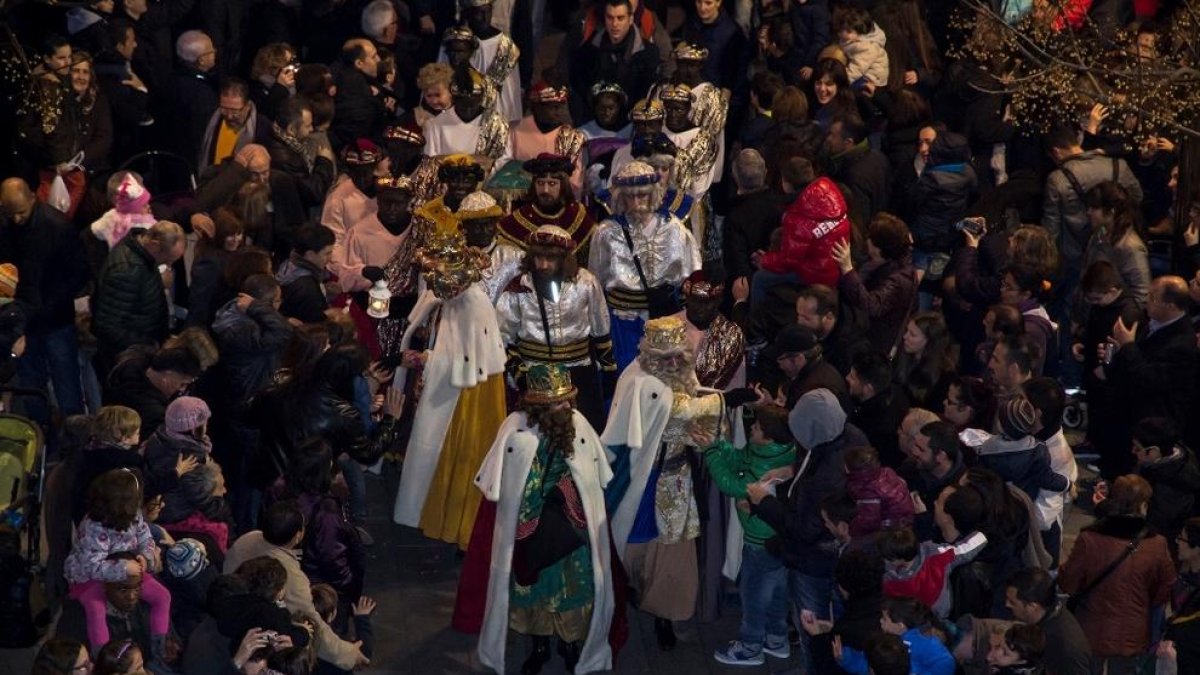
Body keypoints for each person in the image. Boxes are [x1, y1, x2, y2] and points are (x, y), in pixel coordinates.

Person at [473, 364, 614, 675]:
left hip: (569, 530)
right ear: (539, 406)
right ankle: (539, 645)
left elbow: (595, 471)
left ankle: (569, 644)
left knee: (573, 590)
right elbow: (500, 482)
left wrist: (571, 491)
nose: (567, 408)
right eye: (559, 403)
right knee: (534, 589)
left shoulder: (578, 425)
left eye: (568, 400)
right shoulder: (516, 429)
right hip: (532, 530)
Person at [601, 316, 725, 651]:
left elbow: (695, 420)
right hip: (640, 483)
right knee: (633, 545)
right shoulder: (640, 381)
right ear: (649, 356)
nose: (673, 364)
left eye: (678, 356)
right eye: (664, 358)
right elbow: (678, 415)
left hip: (675, 482)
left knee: (672, 554)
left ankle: (663, 615)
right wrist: (724, 401)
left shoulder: (684, 375)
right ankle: (629, 594)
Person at [391, 231, 507, 549]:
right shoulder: (444, 294)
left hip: (468, 396)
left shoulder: (474, 303)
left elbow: (469, 362)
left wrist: (428, 359)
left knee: (461, 455)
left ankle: (456, 522)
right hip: (440, 384)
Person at [745, 388, 868, 671]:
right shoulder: (850, 437)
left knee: (814, 630)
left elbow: (804, 529)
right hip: (834, 557)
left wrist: (763, 503)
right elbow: (815, 454)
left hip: (812, 562)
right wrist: (792, 469)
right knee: (839, 625)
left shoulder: (826, 477)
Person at [693, 404, 796, 666]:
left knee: (753, 596)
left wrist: (711, 453)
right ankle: (777, 639)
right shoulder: (780, 452)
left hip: (759, 542)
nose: (752, 427)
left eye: (758, 427)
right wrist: (717, 444)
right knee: (777, 591)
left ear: (769, 437)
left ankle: (750, 648)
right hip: (778, 540)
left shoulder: (764, 470)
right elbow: (741, 458)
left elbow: (731, 484)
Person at [223, 501, 369, 670]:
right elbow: (313, 622)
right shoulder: (291, 577)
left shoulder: (246, 540)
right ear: (298, 536)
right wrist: (348, 654)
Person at [496, 225, 613, 430]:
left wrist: (609, 373)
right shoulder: (518, 288)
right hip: (535, 375)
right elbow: (504, 338)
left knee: (583, 434)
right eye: (538, 258)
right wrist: (521, 377)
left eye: (550, 259)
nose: (542, 265)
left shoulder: (586, 283)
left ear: (565, 259)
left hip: (580, 375)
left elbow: (600, 330)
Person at [1059, 474, 1176, 675]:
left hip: (1089, 628)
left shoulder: (1090, 539)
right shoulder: (1157, 544)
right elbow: (1164, 589)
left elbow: (1068, 583)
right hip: (1132, 631)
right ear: (1142, 506)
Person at [588, 161, 700, 371]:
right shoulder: (606, 232)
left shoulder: (674, 228)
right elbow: (596, 281)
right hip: (622, 322)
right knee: (627, 375)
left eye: (643, 195)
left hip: (666, 318)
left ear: (654, 194)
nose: (637, 202)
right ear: (621, 198)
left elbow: (692, 274)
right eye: (631, 196)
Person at [0, 177, 90, 420]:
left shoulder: (58, 227)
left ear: (33, 198)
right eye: (11, 213)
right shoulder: (5, 225)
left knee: (67, 384)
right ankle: (40, 436)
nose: (17, 218)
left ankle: (74, 439)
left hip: (54, 319)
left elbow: (79, 272)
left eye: (20, 212)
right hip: (22, 320)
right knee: (31, 385)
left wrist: (51, 304)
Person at [64, 469, 173, 667]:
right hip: (91, 577)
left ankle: (159, 649)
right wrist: (123, 568)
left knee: (162, 596)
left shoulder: (135, 516)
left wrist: (145, 557)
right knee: (96, 609)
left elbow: (145, 537)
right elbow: (91, 566)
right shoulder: (93, 527)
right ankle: (105, 661)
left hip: (129, 568)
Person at [92, 220, 186, 365]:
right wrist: (148, 346)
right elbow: (108, 326)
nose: (168, 265)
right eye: (167, 259)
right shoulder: (126, 270)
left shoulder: (143, 255)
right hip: (128, 357)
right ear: (155, 245)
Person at [752, 166, 850, 302]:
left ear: (786, 184)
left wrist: (765, 260)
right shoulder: (830, 190)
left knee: (760, 278)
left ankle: (754, 320)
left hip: (817, 274)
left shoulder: (798, 220)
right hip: (836, 266)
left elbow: (788, 261)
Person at [834, 212, 918, 356]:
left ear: (879, 249)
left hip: (874, 343)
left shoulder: (900, 279)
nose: (867, 240)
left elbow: (872, 305)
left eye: (870, 238)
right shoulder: (887, 263)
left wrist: (847, 269)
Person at [568, 0, 662, 126]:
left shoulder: (648, 53)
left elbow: (647, 97)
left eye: (620, 18)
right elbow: (578, 91)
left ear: (630, 19)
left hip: (631, 126)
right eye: (610, 18)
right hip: (592, 126)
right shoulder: (587, 51)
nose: (615, 24)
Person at [496, 153, 599, 263]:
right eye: (540, 183)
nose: (545, 190)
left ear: (563, 186)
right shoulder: (517, 221)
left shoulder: (579, 216)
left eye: (552, 183)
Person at [1004, 568, 1092, 675]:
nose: (1007, 604)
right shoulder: (1050, 615)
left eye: (1012, 602)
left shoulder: (1064, 647)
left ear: (1032, 606)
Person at [838, 597, 954, 675]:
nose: (880, 621)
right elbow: (870, 662)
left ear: (900, 626)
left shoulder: (929, 645)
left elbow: (946, 664)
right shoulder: (885, 642)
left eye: (884, 619)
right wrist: (846, 657)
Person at [507, 85, 586, 199]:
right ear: (536, 107)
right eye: (553, 107)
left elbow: (575, 179)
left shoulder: (573, 137)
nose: (558, 112)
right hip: (521, 199)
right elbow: (505, 168)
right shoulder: (514, 130)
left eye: (561, 106)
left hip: (557, 202)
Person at [421, 64, 511, 164]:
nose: (468, 110)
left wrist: (448, 159)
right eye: (463, 104)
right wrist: (477, 160)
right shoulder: (435, 126)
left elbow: (502, 164)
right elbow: (430, 163)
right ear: (453, 98)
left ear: (481, 99)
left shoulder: (498, 126)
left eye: (472, 105)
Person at [1129, 417, 1200, 542]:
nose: (1133, 451)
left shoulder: (1172, 487)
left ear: (1154, 451)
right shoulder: (1165, 464)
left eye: (1137, 448)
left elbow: (1154, 529)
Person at [900, 420, 966, 540]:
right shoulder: (910, 468)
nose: (913, 451)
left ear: (941, 456)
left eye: (921, 449)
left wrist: (923, 518)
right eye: (915, 444)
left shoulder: (961, 490)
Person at [845, 350, 911, 468]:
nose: (847, 378)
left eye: (853, 377)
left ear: (868, 388)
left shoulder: (874, 426)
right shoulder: (896, 392)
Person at [456, 191, 523, 303]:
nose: (485, 230)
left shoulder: (513, 256)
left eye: (489, 224)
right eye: (477, 226)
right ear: (464, 227)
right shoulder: (453, 257)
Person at [197, 78, 271, 176]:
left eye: (235, 111)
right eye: (224, 109)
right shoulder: (210, 119)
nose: (229, 116)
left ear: (247, 106)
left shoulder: (262, 127)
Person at [164, 30, 218, 163]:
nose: (215, 52)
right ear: (201, 60)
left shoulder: (168, 81)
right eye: (211, 51)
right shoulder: (202, 93)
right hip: (192, 158)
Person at [843, 445, 913, 537]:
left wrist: (850, 532)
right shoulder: (887, 472)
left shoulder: (868, 491)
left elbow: (868, 521)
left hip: (891, 530)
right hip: (906, 520)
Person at [893, 311, 957, 408]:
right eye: (907, 331)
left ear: (930, 341)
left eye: (912, 334)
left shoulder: (945, 376)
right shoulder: (901, 358)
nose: (905, 336)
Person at [330, 39, 386, 150]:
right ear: (359, 63)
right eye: (373, 56)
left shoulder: (340, 76)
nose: (379, 59)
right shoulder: (356, 91)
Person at [277, 225, 335, 324]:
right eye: (327, 253)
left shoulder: (287, 264)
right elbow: (317, 326)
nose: (331, 258)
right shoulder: (307, 289)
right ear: (310, 255)